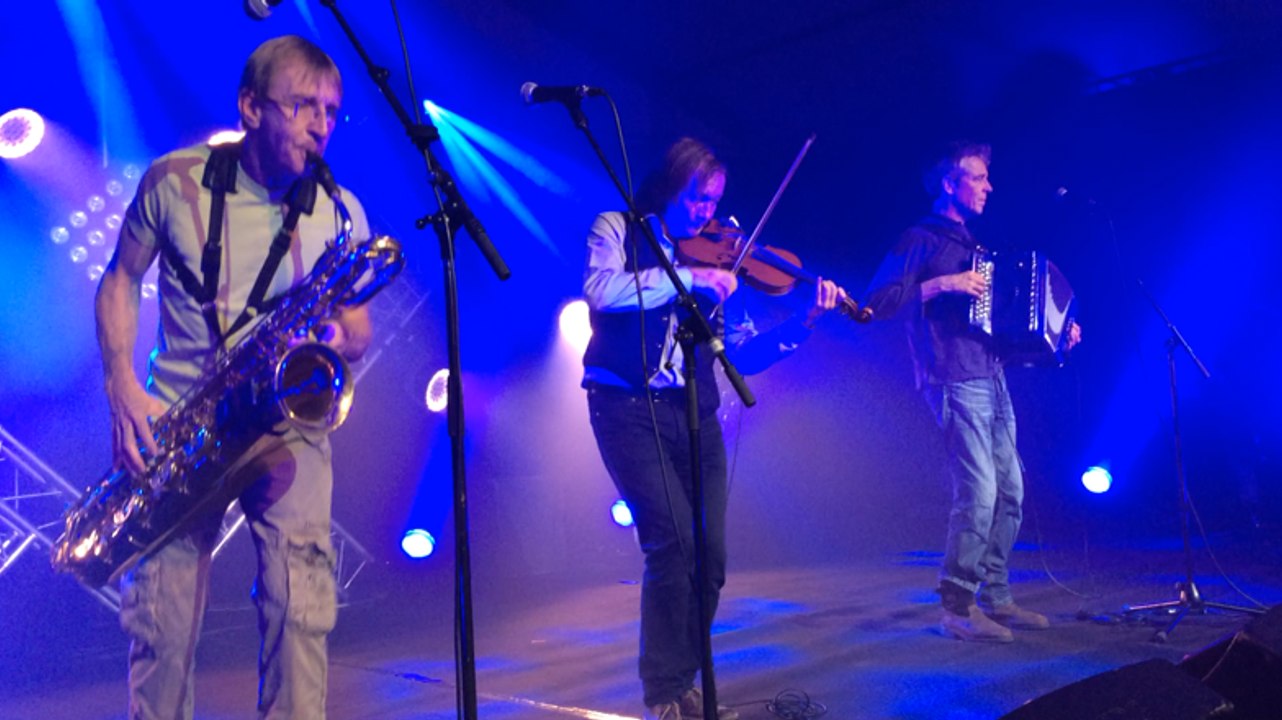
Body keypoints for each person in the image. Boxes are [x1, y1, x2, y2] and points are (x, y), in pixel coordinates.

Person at [95, 35, 372, 718]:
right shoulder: (173, 181)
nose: (321, 126)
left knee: (300, 612)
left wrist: (337, 338)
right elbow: (120, 278)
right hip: (177, 426)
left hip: (284, 424)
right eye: (303, 106)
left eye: (331, 111)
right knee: (161, 625)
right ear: (250, 107)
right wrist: (122, 385)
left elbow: (357, 327)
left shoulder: (339, 211)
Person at [582, 137, 847, 720]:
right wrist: (689, 276)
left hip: (695, 413)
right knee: (672, 543)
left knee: (712, 555)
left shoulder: (719, 267)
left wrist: (803, 323)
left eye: (715, 202)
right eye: (698, 200)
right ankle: (663, 694)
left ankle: (683, 682)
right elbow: (600, 290)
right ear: (670, 189)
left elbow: (742, 354)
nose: (709, 214)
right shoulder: (616, 228)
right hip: (627, 409)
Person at [864, 141, 1081, 643]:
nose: (989, 187)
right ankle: (958, 607)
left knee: (1011, 492)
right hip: (951, 376)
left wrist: (1055, 337)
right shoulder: (921, 238)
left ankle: (996, 597)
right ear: (949, 183)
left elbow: (1000, 328)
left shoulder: (976, 248)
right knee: (979, 492)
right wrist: (944, 285)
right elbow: (876, 302)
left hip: (992, 376)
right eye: (979, 178)